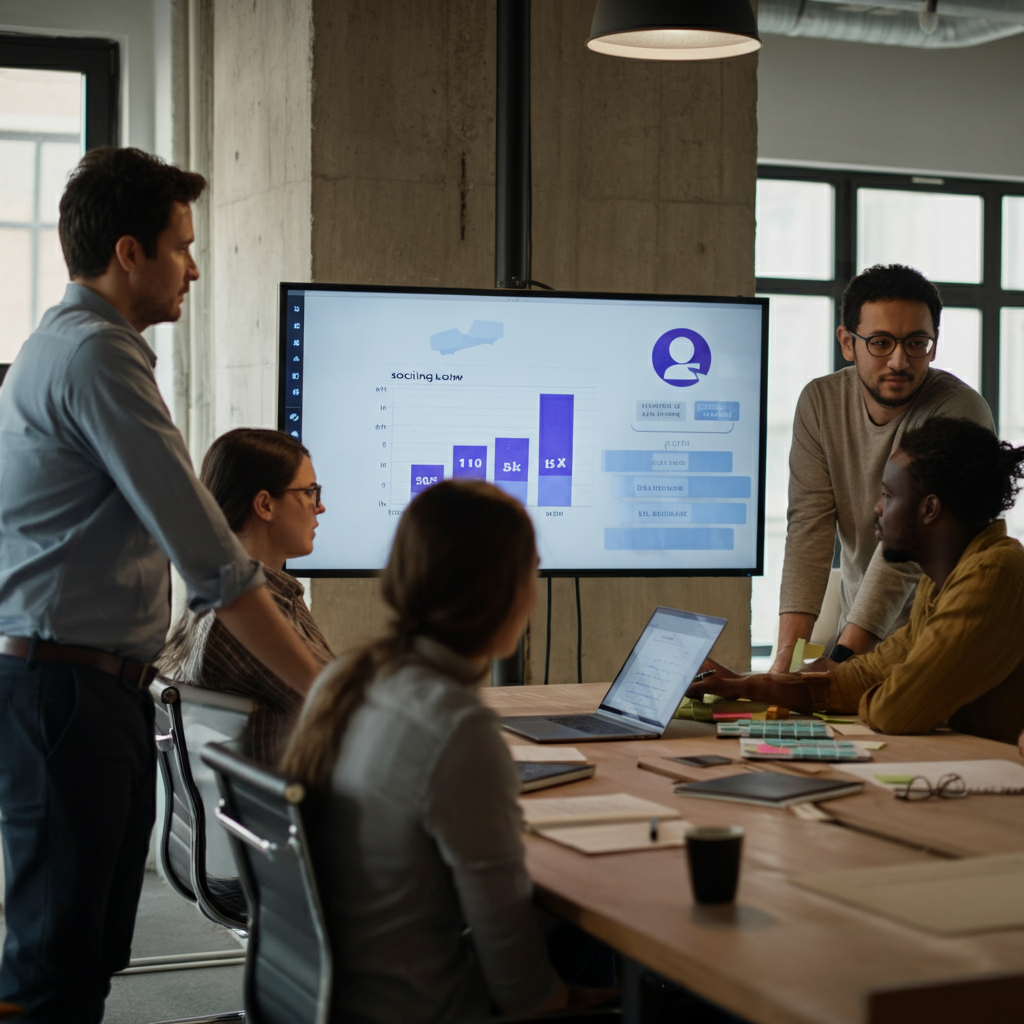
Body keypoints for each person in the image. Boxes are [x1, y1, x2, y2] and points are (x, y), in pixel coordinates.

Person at [0, 147, 321, 1024]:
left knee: (83, 953)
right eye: (182, 245)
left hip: (82, 685)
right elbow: (214, 562)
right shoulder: (98, 357)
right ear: (129, 252)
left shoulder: (66, 346)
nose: (196, 265)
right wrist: (328, 693)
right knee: (54, 966)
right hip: (64, 689)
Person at [280, 480, 613, 1023]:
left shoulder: (346, 679)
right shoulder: (457, 726)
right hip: (424, 1005)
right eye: (533, 569)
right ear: (504, 589)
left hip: (341, 991)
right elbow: (514, 960)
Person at [691, 418, 1024, 744]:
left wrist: (866, 694)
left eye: (888, 495)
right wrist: (745, 686)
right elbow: (864, 675)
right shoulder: (940, 579)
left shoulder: (993, 574)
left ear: (930, 509)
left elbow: (894, 710)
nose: (878, 508)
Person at [772, 264, 993, 673]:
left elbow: (908, 550)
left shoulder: (958, 412)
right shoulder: (820, 404)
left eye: (916, 343)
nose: (899, 360)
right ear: (847, 342)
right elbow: (809, 532)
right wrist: (783, 667)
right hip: (858, 645)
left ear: (934, 343)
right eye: (880, 342)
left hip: (941, 644)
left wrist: (840, 661)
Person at [159, 428, 334, 762]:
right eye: (310, 491)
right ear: (265, 504)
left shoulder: (265, 598)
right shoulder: (243, 622)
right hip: (295, 805)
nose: (320, 506)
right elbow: (342, 709)